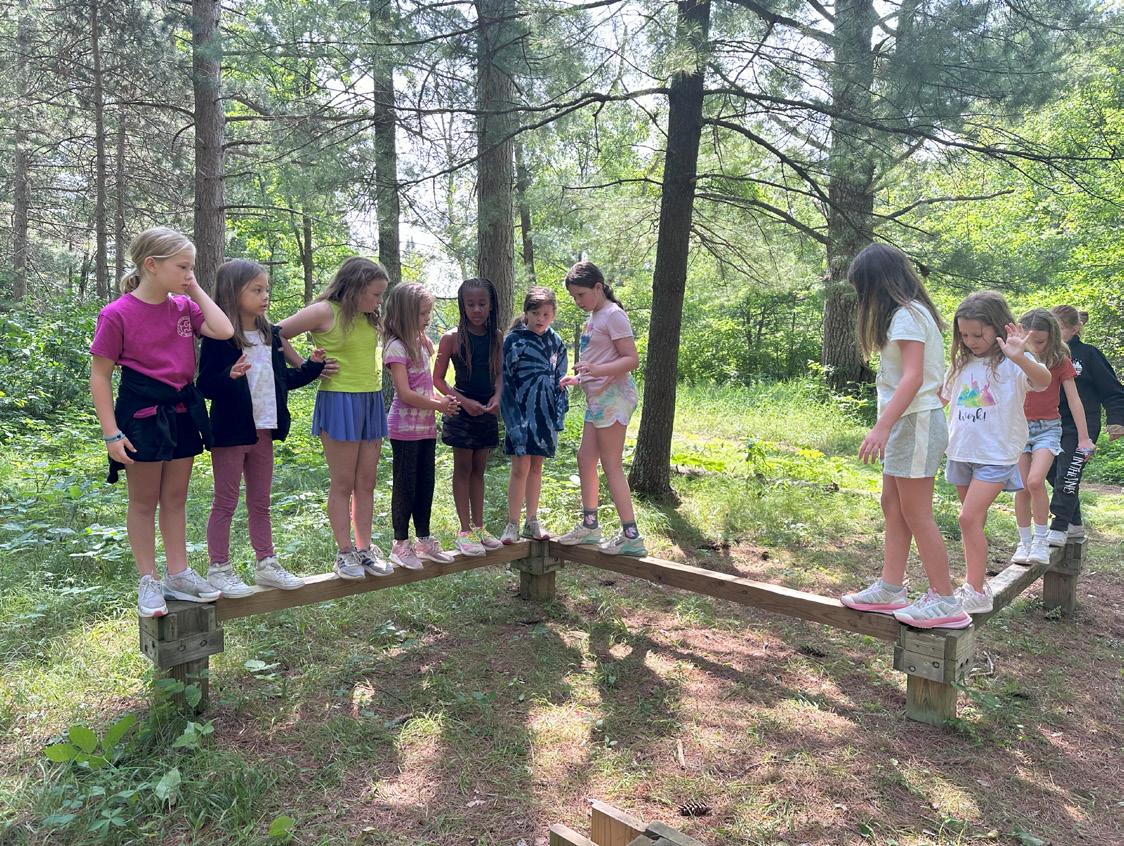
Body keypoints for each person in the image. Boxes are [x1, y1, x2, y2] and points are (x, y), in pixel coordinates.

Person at [89, 227, 235, 618]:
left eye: (192, 268)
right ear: (151, 265)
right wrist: (111, 434)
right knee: (143, 501)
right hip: (142, 415)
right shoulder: (117, 313)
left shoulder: (184, 307)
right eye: (182, 267)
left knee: (175, 498)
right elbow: (100, 376)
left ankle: (178, 574)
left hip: (182, 411)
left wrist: (194, 288)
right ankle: (149, 580)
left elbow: (224, 330)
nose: (189, 274)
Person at [838, 244, 969, 628]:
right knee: (892, 505)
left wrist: (881, 426)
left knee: (916, 512)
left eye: (863, 288)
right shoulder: (907, 314)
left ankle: (945, 599)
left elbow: (913, 377)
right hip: (906, 422)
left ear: (878, 283)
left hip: (915, 422)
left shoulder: (908, 315)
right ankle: (890, 588)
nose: (863, 298)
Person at [197, 259, 329, 596]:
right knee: (225, 502)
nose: (265, 296)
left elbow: (284, 380)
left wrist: (313, 367)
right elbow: (205, 385)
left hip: (264, 430)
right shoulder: (220, 337)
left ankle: (267, 563)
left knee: (261, 503)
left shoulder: (272, 335)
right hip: (230, 432)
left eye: (266, 289)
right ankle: (219, 567)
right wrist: (229, 376)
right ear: (232, 292)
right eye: (256, 290)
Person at [279, 258, 393, 581]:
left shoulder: (369, 316)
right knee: (343, 483)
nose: (379, 301)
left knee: (366, 482)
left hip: (370, 400)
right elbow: (275, 333)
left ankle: (365, 548)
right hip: (339, 400)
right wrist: (308, 367)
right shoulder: (324, 311)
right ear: (355, 287)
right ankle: (344, 553)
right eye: (375, 294)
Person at [942, 291, 1051, 615]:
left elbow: (1043, 381)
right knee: (972, 521)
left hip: (996, 455)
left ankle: (976, 590)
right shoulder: (960, 363)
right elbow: (942, 399)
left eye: (978, 334)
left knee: (967, 518)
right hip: (961, 452)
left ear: (998, 327)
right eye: (964, 335)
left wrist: (1021, 356)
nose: (971, 341)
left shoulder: (1013, 362)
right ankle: (976, 584)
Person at [555, 261, 645, 556]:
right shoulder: (595, 316)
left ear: (598, 287)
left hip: (614, 398)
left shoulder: (613, 315)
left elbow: (631, 360)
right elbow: (600, 360)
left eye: (581, 295)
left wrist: (596, 369)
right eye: (573, 297)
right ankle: (590, 526)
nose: (577, 301)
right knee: (585, 458)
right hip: (597, 398)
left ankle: (631, 535)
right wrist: (580, 378)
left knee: (611, 464)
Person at [382, 282, 460, 570]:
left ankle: (424, 540)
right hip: (404, 429)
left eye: (428, 312)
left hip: (425, 428)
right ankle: (400, 544)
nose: (427, 318)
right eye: (422, 313)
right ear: (404, 313)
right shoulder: (396, 347)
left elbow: (424, 389)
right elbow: (405, 393)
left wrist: (443, 400)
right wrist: (438, 405)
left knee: (426, 484)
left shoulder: (423, 343)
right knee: (406, 485)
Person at [1012, 308, 1094, 565]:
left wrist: (1084, 438)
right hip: (1018, 428)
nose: (1035, 347)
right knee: (1022, 487)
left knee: (1036, 481)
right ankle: (1024, 542)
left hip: (1048, 428)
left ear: (1052, 337)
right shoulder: (1013, 358)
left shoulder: (1060, 360)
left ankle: (1040, 540)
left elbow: (1074, 400)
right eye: (1030, 341)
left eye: (1041, 342)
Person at [433, 278, 504, 555]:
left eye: (482, 304)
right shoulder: (451, 337)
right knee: (463, 468)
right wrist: (464, 402)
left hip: (486, 410)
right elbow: (438, 379)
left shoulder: (496, 336)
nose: (476, 309)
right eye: (471, 304)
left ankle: (479, 527)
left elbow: (499, 374)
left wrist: (497, 397)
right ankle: (464, 531)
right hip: (461, 411)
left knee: (479, 470)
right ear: (462, 306)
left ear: (491, 305)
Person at [1046, 306, 1124, 544]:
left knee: (1069, 472)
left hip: (1082, 426)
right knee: (1051, 473)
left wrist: (1117, 420)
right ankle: (1074, 523)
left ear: (1075, 328)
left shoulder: (1089, 355)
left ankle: (1059, 526)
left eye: (1060, 328)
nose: (1055, 333)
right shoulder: (1044, 354)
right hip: (1049, 424)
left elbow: (1112, 391)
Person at [499, 287, 570, 544]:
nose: (541, 319)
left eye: (546, 314)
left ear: (553, 315)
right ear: (526, 313)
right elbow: (505, 381)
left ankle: (532, 520)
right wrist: (511, 419)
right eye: (536, 313)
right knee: (520, 468)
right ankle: (512, 524)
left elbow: (559, 377)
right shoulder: (513, 340)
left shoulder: (556, 341)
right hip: (519, 414)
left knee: (537, 468)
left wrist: (560, 406)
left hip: (545, 414)